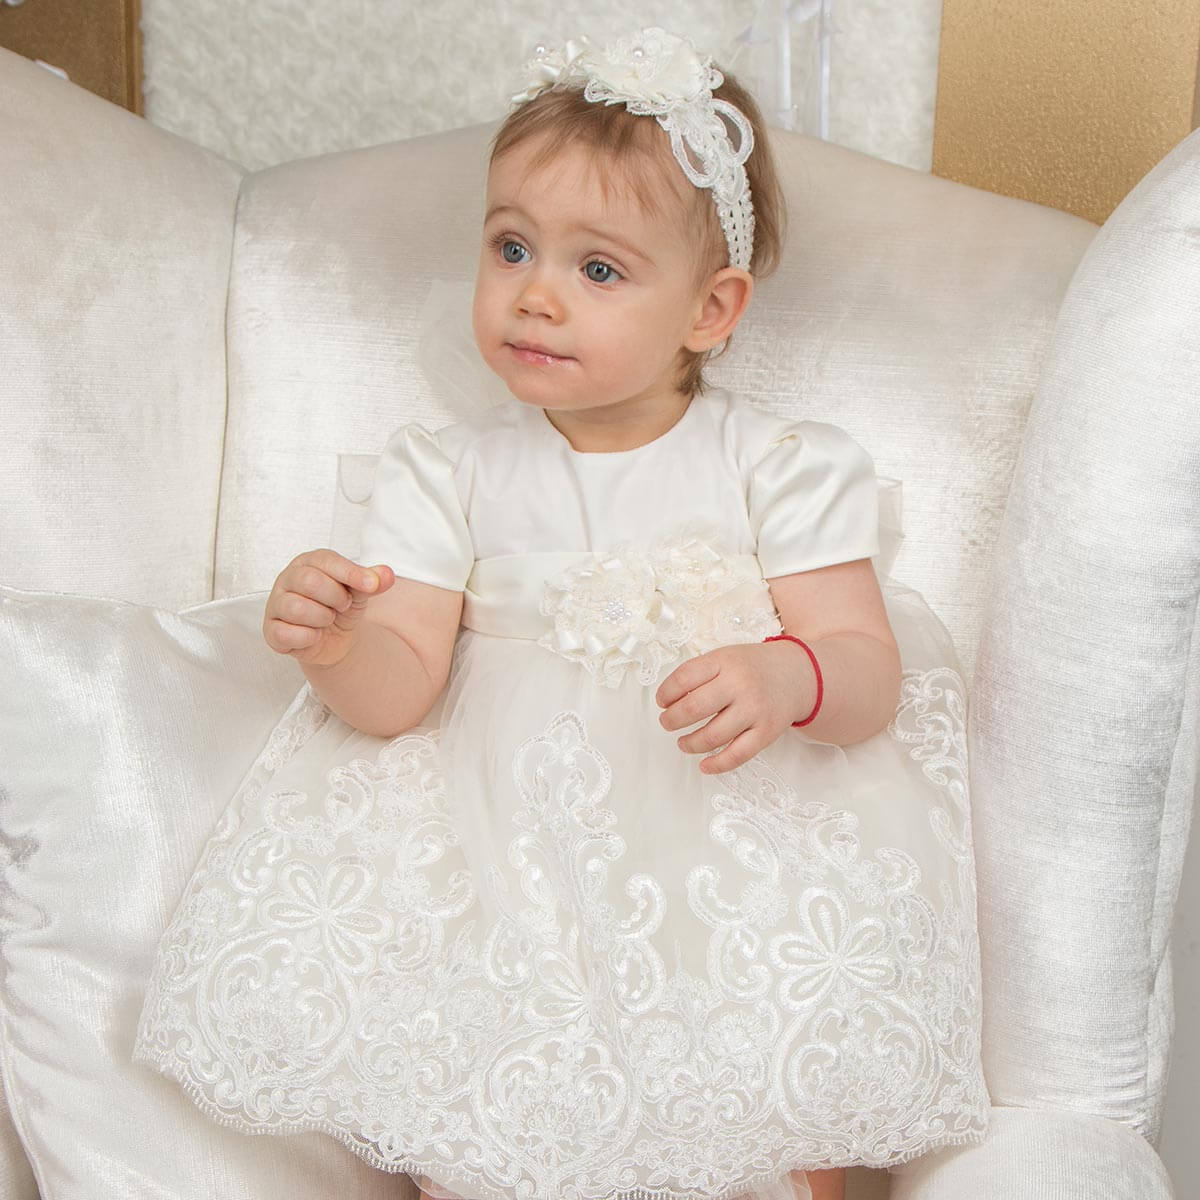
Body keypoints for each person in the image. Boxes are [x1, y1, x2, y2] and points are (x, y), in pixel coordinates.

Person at [133, 27, 989, 1200]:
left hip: (726, 843)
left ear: (711, 308)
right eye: (511, 247)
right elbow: (399, 691)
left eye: (598, 270)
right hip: (507, 853)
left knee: (770, 1080)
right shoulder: (447, 472)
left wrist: (788, 674)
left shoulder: (780, 467)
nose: (535, 294)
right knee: (477, 1095)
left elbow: (867, 672)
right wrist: (339, 643)